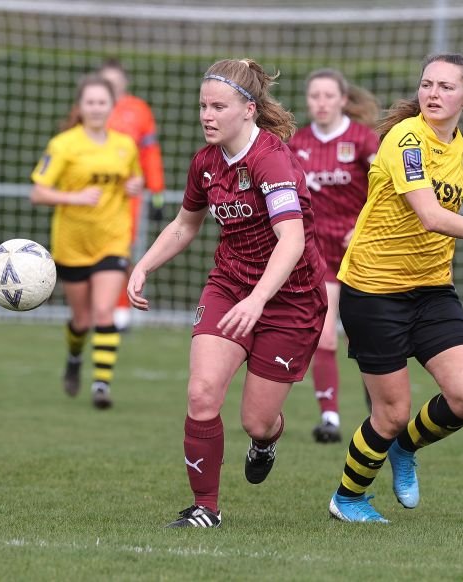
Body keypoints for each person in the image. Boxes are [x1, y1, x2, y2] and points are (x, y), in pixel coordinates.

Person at [327, 54, 463, 523]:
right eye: (427, 84)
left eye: (446, 87)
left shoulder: (461, 149)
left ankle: (406, 448)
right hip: (374, 290)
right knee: (389, 412)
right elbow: (430, 215)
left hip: (430, 290)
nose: (433, 93)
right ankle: (347, 499)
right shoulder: (406, 139)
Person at [127, 58, 327, 528]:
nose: (207, 115)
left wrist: (258, 301)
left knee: (256, 421)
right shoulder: (206, 163)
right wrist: (144, 265)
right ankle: (206, 508)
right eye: (203, 106)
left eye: (218, 106)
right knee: (201, 394)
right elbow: (184, 225)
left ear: (249, 110)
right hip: (229, 285)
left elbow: (292, 240)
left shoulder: (271, 160)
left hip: (291, 299)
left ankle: (266, 440)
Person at [30, 74, 144, 410]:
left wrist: (133, 188)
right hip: (72, 243)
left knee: (104, 310)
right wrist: (75, 197)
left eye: (102, 102)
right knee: (81, 320)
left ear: (112, 106)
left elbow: (133, 179)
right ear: (80, 107)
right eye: (90, 102)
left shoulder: (125, 145)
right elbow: (37, 192)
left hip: (112, 239)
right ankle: (75, 357)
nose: (96, 108)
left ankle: (100, 385)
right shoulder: (64, 144)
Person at [288, 69, 380, 444]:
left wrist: (364, 225)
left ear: (343, 99)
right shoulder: (297, 144)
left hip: (362, 251)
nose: (321, 103)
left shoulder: (363, 140)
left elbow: (386, 188)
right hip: (319, 253)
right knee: (324, 337)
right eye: (314, 96)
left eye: (328, 96)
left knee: (371, 339)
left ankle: (380, 409)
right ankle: (330, 418)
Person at [97, 58, 167, 332]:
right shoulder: (91, 109)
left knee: (120, 253)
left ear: (125, 83)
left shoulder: (138, 110)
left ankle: (121, 310)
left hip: (128, 197)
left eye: (116, 82)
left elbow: (150, 154)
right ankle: (98, 308)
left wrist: (157, 190)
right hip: (92, 197)